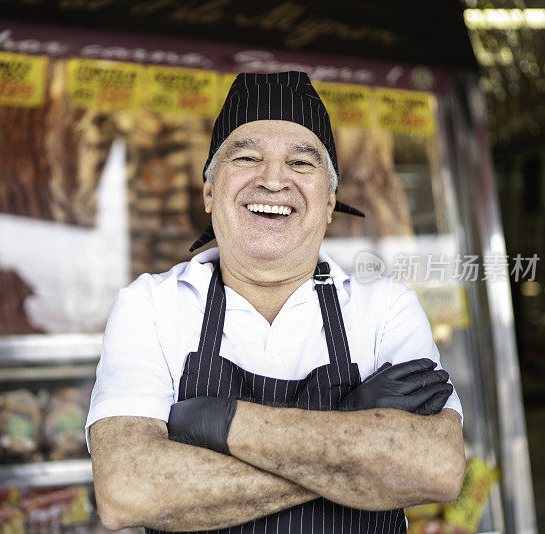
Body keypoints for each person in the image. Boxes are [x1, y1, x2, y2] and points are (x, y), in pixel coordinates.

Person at [86, 71, 465, 533]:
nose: (272, 179)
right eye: (246, 157)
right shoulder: (150, 304)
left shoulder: (385, 307)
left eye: (301, 164)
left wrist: (222, 424)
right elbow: (129, 490)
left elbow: (437, 468)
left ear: (328, 203)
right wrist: (352, 434)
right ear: (209, 192)